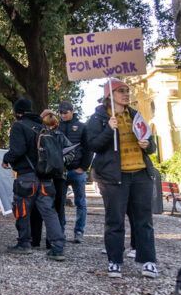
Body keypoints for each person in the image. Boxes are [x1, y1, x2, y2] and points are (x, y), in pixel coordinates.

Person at [86, 78, 159, 279]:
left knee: (143, 220)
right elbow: (93, 145)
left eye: (127, 90)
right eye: (121, 91)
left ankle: (148, 261)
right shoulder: (98, 118)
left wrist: (148, 145)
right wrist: (109, 129)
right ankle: (115, 261)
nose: (126, 94)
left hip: (141, 174)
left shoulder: (136, 115)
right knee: (115, 220)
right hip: (113, 177)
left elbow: (151, 145)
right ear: (109, 96)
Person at [2, 98, 66, 261]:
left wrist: (6, 158)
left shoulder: (19, 126)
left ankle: (24, 243)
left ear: (18, 112)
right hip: (46, 177)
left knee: (22, 210)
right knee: (49, 212)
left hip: (26, 177)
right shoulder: (43, 127)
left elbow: (18, 150)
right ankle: (58, 247)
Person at [29, 110, 75, 249]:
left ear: (55, 125)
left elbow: (71, 152)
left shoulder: (58, 137)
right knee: (40, 208)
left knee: (56, 208)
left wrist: (62, 160)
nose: (50, 128)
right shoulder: (40, 136)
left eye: (52, 126)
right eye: (47, 125)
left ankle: (52, 241)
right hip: (48, 176)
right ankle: (38, 239)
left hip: (55, 177)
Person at [58, 101, 92, 243]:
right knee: (59, 203)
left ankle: (79, 232)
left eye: (65, 112)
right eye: (61, 112)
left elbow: (88, 148)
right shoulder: (57, 126)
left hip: (77, 170)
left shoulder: (82, 127)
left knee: (80, 203)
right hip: (61, 171)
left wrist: (83, 168)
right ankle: (60, 231)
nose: (63, 115)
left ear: (72, 111)